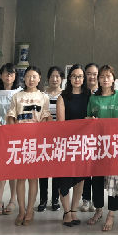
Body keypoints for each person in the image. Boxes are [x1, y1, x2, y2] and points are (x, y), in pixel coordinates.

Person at [86, 64, 118, 231]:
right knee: (96, 180)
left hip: (116, 144)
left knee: (115, 181)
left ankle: (111, 214)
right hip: (98, 145)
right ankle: (98, 210)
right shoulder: (93, 99)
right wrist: (90, 121)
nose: (105, 79)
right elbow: (88, 120)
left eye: (108, 76)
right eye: (102, 76)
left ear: (113, 79)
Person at [6, 66, 51, 226]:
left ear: (39, 79)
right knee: (20, 178)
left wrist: (38, 135)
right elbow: (11, 117)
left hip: (36, 142)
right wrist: (15, 135)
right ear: (24, 78)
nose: (31, 79)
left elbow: (45, 117)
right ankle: (21, 210)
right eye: (28, 76)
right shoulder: (17, 96)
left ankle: (30, 210)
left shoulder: (43, 97)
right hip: (20, 142)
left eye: (34, 76)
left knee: (33, 178)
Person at [56, 64, 92, 227]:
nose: (77, 79)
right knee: (64, 178)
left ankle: (74, 210)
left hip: (84, 143)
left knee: (80, 179)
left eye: (80, 76)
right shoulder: (63, 97)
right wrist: (82, 123)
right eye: (74, 76)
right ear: (69, 78)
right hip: (66, 143)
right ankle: (66, 212)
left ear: (84, 79)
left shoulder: (89, 96)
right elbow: (61, 124)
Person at [0, 63, 21, 216]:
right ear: (0, 76)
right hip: (0, 132)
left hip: (16, 133)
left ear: (15, 76)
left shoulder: (20, 93)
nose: (8, 76)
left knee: (13, 169)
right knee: (1, 168)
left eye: (11, 74)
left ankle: (13, 200)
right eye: (6, 73)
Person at [38, 65, 64, 212]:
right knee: (43, 169)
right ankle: (43, 199)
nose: (55, 79)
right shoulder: (42, 95)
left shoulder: (65, 95)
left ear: (62, 79)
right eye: (52, 76)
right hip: (44, 136)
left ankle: (55, 199)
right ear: (48, 78)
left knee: (56, 170)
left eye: (57, 76)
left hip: (59, 137)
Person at [80, 62, 100, 213]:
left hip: (100, 136)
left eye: (95, 74)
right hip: (84, 135)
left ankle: (96, 200)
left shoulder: (103, 92)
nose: (92, 77)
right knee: (85, 169)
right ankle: (86, 199)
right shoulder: (81, 92)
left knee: (97, 170)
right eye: (89, 73)